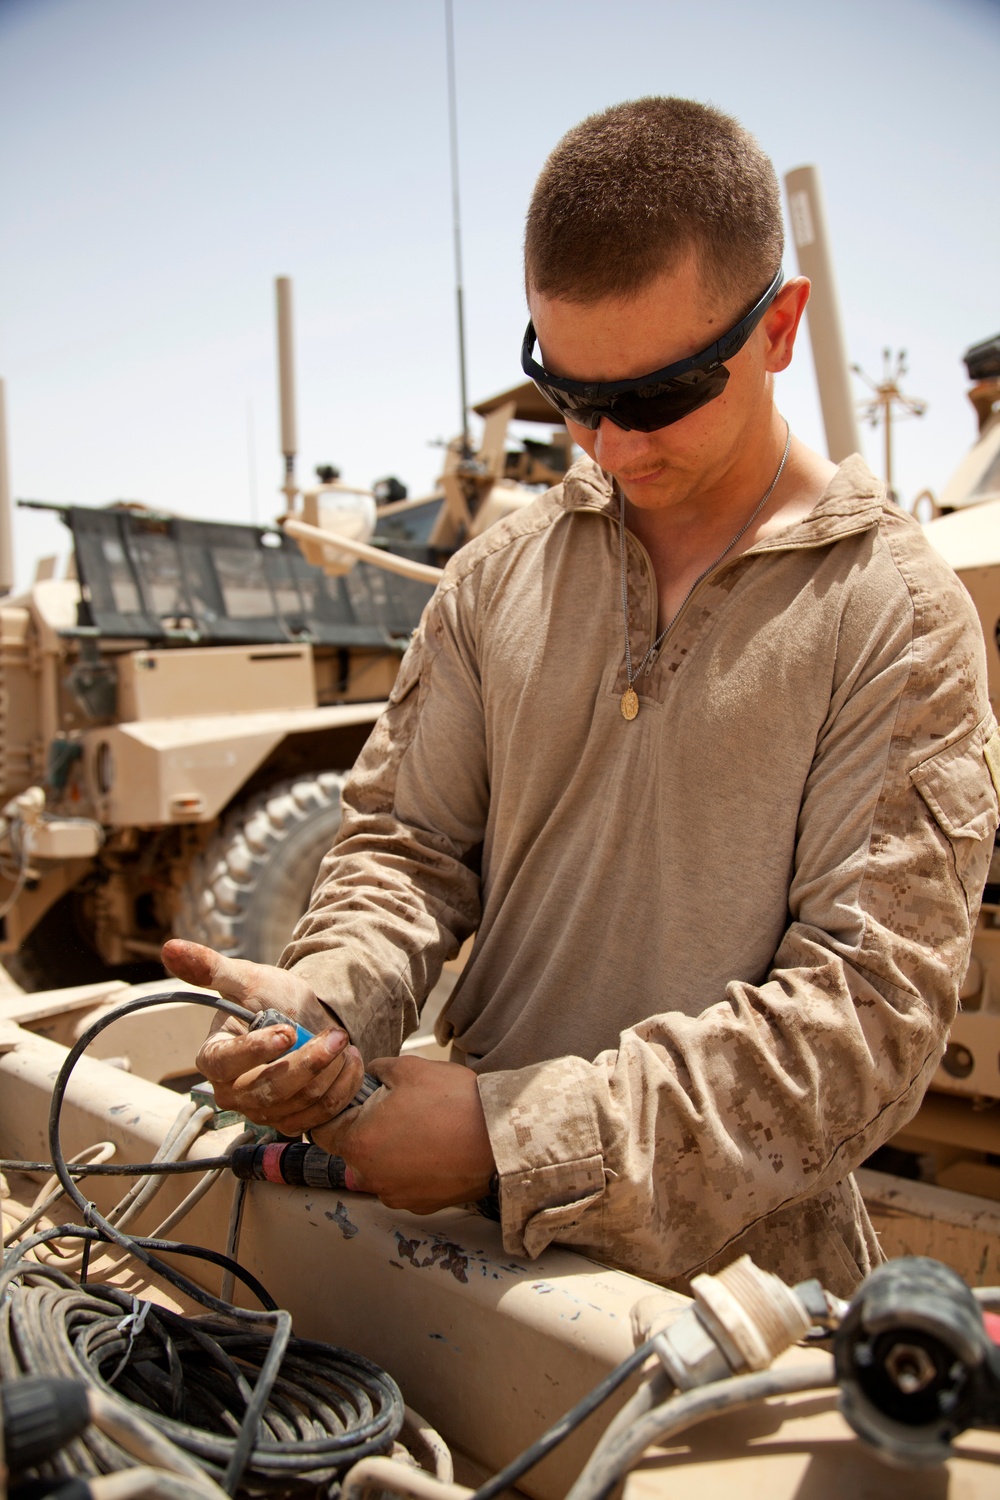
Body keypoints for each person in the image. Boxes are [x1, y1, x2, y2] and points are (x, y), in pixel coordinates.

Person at [164, 97, 999, 1298]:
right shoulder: (498, 578)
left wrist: (512, 1140)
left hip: (731, 1305)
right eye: (571, 395)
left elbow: (861, 1025)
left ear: (779, 329)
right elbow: (406, 848)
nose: (610, 444)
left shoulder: (893, 614)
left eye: (659, 397)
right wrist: (326, 1000)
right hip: (449, 1262)